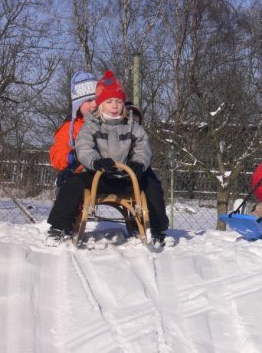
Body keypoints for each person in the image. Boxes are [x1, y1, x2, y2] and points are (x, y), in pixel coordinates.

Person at [46, 71, 170, 246]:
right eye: (109, 101)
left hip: (128, 176)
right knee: (73, 184)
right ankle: (58, 227)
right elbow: (84, 146)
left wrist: (139, 163)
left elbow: (143, 146)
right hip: (101, 175)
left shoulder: (131, 124)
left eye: (118, 101)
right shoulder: (91, 124)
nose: (114, 106)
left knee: (152, 185)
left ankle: (158, 229)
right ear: (101, 105)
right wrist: (96, 161)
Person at [49, 71, 98, 187]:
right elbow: (57, 155)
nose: (94, 104)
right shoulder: (69, 128)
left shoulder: (107, 123)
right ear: (78, 104)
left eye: (97, 99)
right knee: (68, 182)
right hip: (81, 174)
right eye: (89, 100)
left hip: (107, 171)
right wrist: (72, 156)